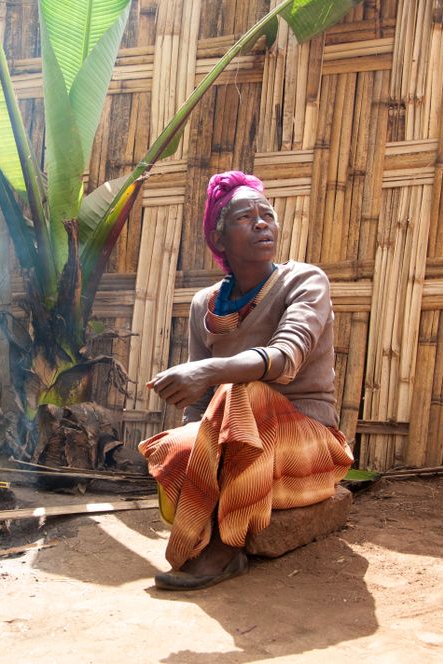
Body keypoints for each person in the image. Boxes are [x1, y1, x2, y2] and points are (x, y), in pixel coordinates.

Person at [141, 170, 354, 591]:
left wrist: (208, 372)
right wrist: (191, 441)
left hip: (307, 442)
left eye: (268, 215)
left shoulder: (304, 280)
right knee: (178, 443)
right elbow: (200, 407)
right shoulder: (204, 304)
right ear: (219, 239)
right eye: (245, 217)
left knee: (245, 394)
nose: (262, 223)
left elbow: (285, 357)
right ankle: (200, 524)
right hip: (236, 434)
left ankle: (225, 544)